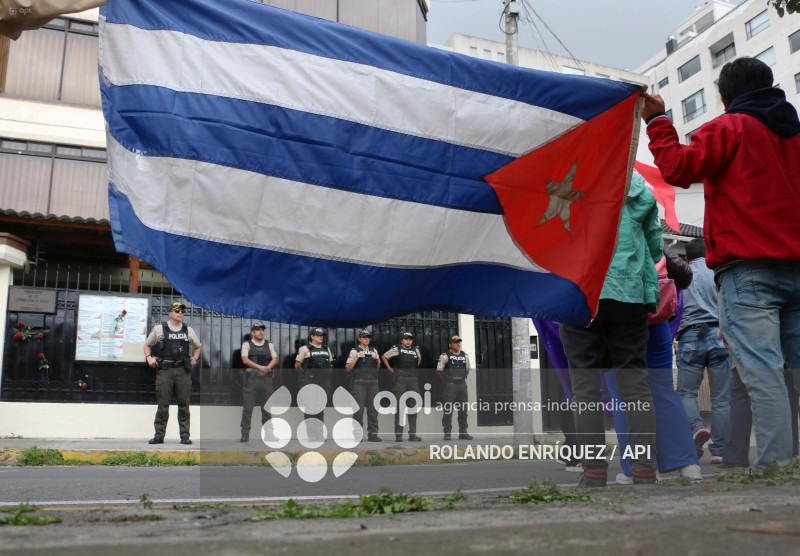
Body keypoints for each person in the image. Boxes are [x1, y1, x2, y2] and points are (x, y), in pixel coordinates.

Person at [641, 56, 800, 470]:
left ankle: (776, 468)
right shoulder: (796, 136)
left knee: (763, 374)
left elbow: (677, 167)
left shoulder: (730, 128)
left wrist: (657, 120)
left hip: (748, 271)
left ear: (726, 96)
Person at [558, 173, 660, 486]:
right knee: (635, 383)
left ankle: (593, 471)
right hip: (628, 293)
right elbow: (655, 248)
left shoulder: (564, 179)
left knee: (585, 386)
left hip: (579, 291)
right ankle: (643, 466)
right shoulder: (640, 187)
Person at [609, 244, 703, 484]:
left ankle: (640, 468)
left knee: (623, 395)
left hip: (615, 317)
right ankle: (688, 465)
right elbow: (679, 272)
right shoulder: (645, 218)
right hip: (654, 312)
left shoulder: (597, 225)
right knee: (662, 390)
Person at [674, 239, 730, 464]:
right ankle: (719, 451)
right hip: (718, 335)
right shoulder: (717, 273)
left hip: (689, 337)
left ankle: (697, 428)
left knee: (686, 393)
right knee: (721, 399)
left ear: (686, 258)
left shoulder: (681, 275)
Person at [144, 301, 201, 445]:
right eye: (177, 311)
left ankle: (185, 436)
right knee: (163, 405)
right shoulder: (159, 329)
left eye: (182, 311)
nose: (180, 313)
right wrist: (149, 357)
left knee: (184, 405)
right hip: (165, 370)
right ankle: (159, 435)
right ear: (170, 313)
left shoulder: (188, 330)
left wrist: (194, 358)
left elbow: (198, 347)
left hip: (183, 371)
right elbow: (147, 344)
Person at [239, 323, 278, 443]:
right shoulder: (247, 344)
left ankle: (269, 434)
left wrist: (265, 369)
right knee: (248, 407)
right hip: (251, 379)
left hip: (266, 379)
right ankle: (245, 434)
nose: (260, 332)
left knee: (267, 408)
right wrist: (260, 368)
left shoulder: (269, 344)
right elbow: (245, 360)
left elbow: (275, 359)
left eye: (262, 330)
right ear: (252, 332)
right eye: (257, 330)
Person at [382, 332, 423, 442]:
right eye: (406, 339)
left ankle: (412, 434)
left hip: (413, 379)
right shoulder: (397, 349)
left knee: (413, 407)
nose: (408, 341)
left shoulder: (416, 349)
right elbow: (384, 357)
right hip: (400, 380)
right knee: (401, 407)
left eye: (410, 339)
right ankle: (399, 435)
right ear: (402, 341)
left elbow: (419, 359)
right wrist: (390, 369)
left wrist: (414, 368)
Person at [294, 328, 334, 442]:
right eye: (318, 335)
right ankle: (311, 434)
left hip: (324, 381)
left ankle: (319, 434)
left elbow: (330, 364)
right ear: (312, 336)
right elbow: (297, 365)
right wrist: (305, 376)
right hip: (310, 380)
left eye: (322, 335)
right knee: (310, 407)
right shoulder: (305, 349)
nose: (321, 337)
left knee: (320, 407)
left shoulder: (326, 348)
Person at [346, 329, 382, 442]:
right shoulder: (354, 351)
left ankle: (373, 435)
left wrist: (378, 361)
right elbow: (347, 368)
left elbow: (378, 369)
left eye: (368, 337)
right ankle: (357, 435)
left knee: (373, 410)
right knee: (358, 411)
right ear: (359, 339)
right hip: (359, 383)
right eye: (364, 337)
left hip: (373, 383)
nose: (366, 339)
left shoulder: (374, 350)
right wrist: (357, 357)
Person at [437, 335, 473, 441]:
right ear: (450, 345)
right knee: (448, 410)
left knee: (463, 410)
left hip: (462, 384)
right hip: (450, 386)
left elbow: (467, 369)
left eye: (459, 342)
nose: (458, 344)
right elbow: (439, 371)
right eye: (455, 342)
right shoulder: (445, 356)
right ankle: (447, 433)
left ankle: (463, 432)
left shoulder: (464, 355)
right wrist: (446, 381)